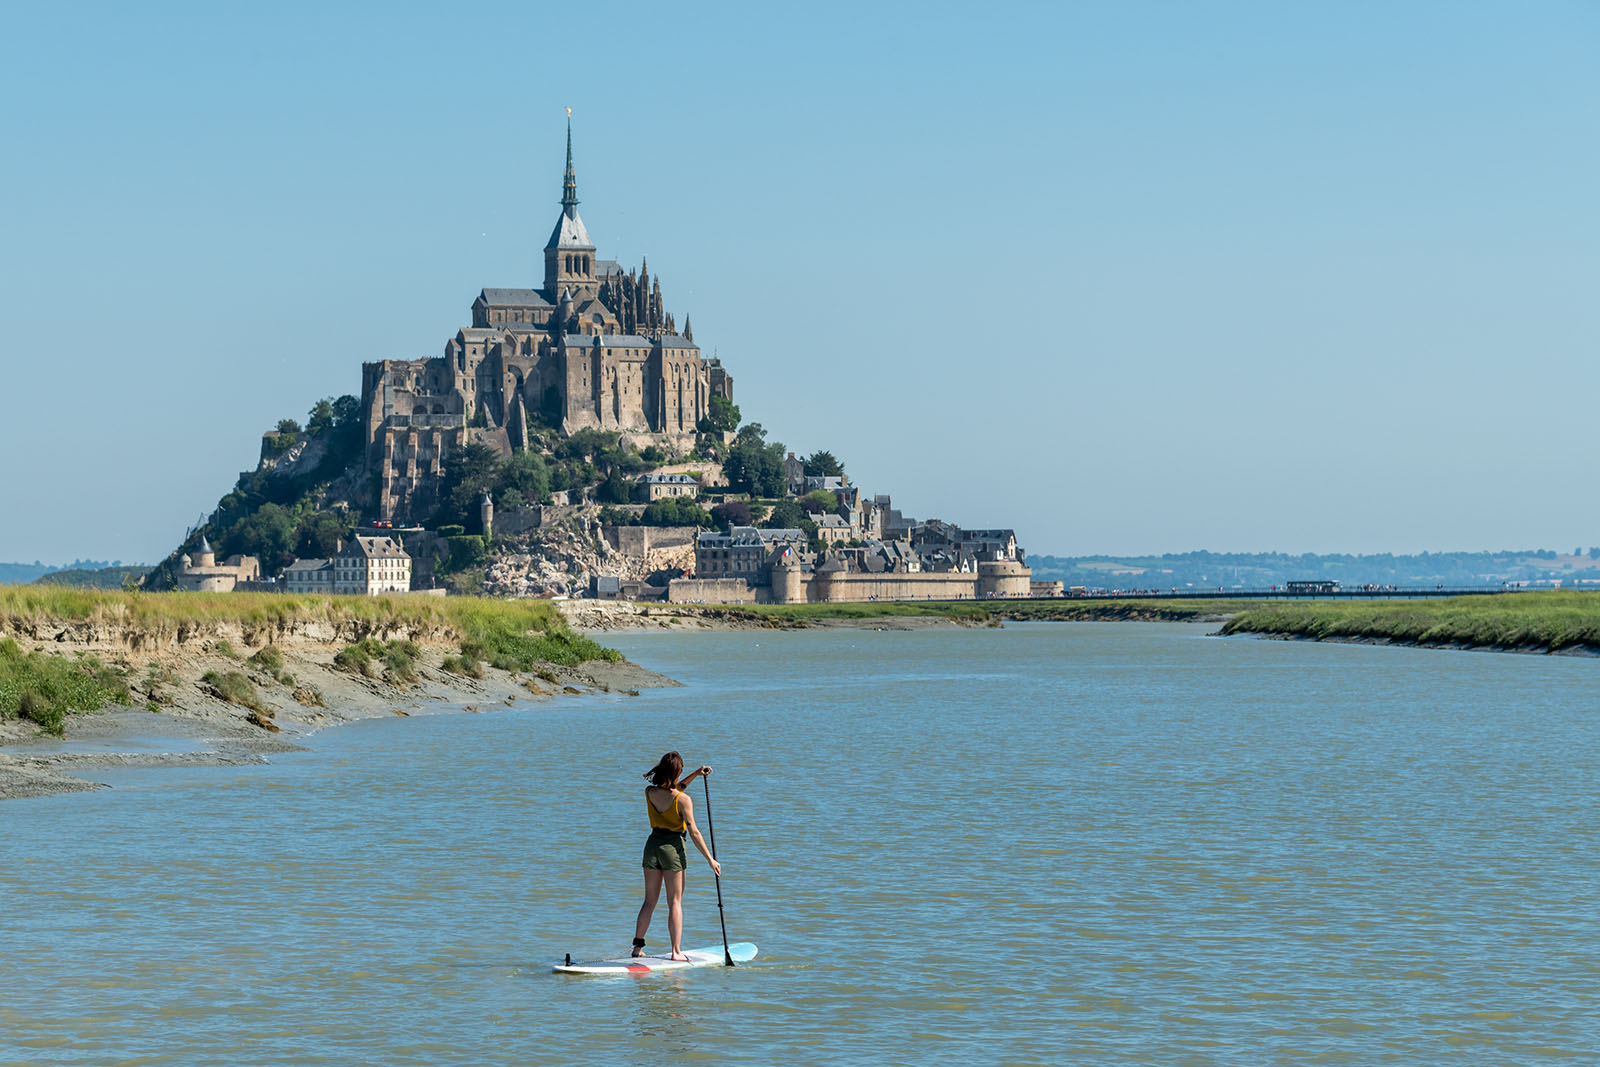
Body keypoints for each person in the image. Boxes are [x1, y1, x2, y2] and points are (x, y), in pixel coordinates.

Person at [632, 751, 722, 960]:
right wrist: (711, 859)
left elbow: (673, 788)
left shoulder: (649, 792)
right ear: (677, 772)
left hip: (652, 846)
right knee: (675, 902)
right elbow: (694, 832)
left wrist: (696, 774)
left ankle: (637, 948)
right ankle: (676, 951)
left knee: (649, 901)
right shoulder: (684, 801)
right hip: (673, 849)